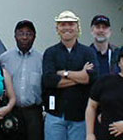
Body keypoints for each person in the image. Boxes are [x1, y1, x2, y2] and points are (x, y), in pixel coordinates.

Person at [42, 10, 99, 140]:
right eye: (63, 24)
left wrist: (65, 73)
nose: (67, 27)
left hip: (80, 115)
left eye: (71, 24)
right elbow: (49, 80)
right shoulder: (50, 53)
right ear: (57, 28)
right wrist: (80, 76)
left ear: (77, 27)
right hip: (55, 114)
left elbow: (92, 77)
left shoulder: (88, 52)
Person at [0, 20, 43, 140]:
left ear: (34, 37)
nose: (24, 37)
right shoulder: (4, 59)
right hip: (11, 111)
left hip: (34, 112)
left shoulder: (41, 59)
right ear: (15, 36)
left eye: (28, 34)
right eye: (21, 33)